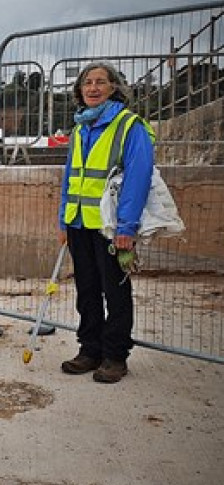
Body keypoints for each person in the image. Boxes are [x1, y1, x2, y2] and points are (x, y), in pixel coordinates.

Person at [58, 61, 154, 383]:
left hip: (111, 226)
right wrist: (63, 220)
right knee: (86, 289)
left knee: (115, 291)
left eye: (100, 82)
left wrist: (127, 227)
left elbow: (138, 179)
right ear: (80, 90)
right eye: (88, 83)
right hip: (79, 222)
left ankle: (115, 356)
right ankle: (90, 350)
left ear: (114, 88)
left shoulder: (130, 126)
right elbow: (70, 178)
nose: (93, 88)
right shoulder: (79, 129)